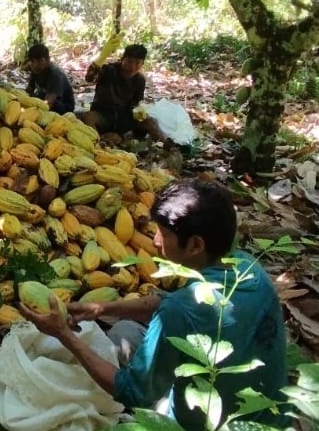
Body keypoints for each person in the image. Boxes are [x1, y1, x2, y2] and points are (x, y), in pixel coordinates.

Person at [18, 179, 289, 429]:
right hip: (265, 412)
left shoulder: (180, 311)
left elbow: (131, 391)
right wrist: (103, 308)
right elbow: (174, 304)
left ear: (195, 245)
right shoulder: (247, 266)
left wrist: (63, 335)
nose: (155, 241)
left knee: (120, 347)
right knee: (124, 332)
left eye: (163, 234)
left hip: (205, 421)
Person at [81, 38, 164, 140]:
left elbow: (135, 104)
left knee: (152, 122)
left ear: (142, 64)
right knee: (88, 117)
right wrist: (102, 56)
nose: (133, 67)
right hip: (103, 115)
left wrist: (138, 112)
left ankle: (168, 147)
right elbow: (89, 78)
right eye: (129, 62)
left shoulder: (140, 80)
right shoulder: (108, 71)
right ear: (122, 59)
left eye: (137, 63)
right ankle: (96, 144)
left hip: (123, 118)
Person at [23, 44, 75, 114]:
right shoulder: (35, 70)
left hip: (63, 106)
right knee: (33, 98)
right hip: (44, 96)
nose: (35, 65)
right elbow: (29, 90)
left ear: (48, 60)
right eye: (32, 61)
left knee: (50, 105)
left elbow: (48, 103)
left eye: (39, 61)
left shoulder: (55, 74)